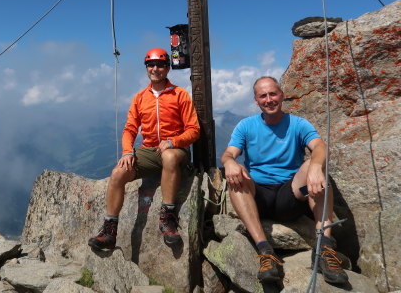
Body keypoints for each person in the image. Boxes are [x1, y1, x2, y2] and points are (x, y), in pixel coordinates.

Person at [221, 76, 348, 285]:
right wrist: (229, 163)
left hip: (289, 195)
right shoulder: (246, 126)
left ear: (282, 95)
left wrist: (316, 167)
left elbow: (320, 146)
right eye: (263, 96)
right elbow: (228, 154)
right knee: (238, 173)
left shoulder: (298, 124)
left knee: (315, 167)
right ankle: (265, 252)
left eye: (273, 94)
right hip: (259, 197)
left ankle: (324, 248)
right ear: (256, 100)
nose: (269, 99)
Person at [88, 48, 200, 250]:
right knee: (117, 173)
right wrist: (127, 152)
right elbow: (130, 129)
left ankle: (168, 217)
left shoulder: (180, 95)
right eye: (151, 65)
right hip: (149, 151)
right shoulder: (140, 97)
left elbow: (194, 130)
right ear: (147, 68)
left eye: (159, 65)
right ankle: (109, 230)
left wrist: (174, 141)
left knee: (169, 157)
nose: (155, 69)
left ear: (167, 68)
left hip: (177, 150)